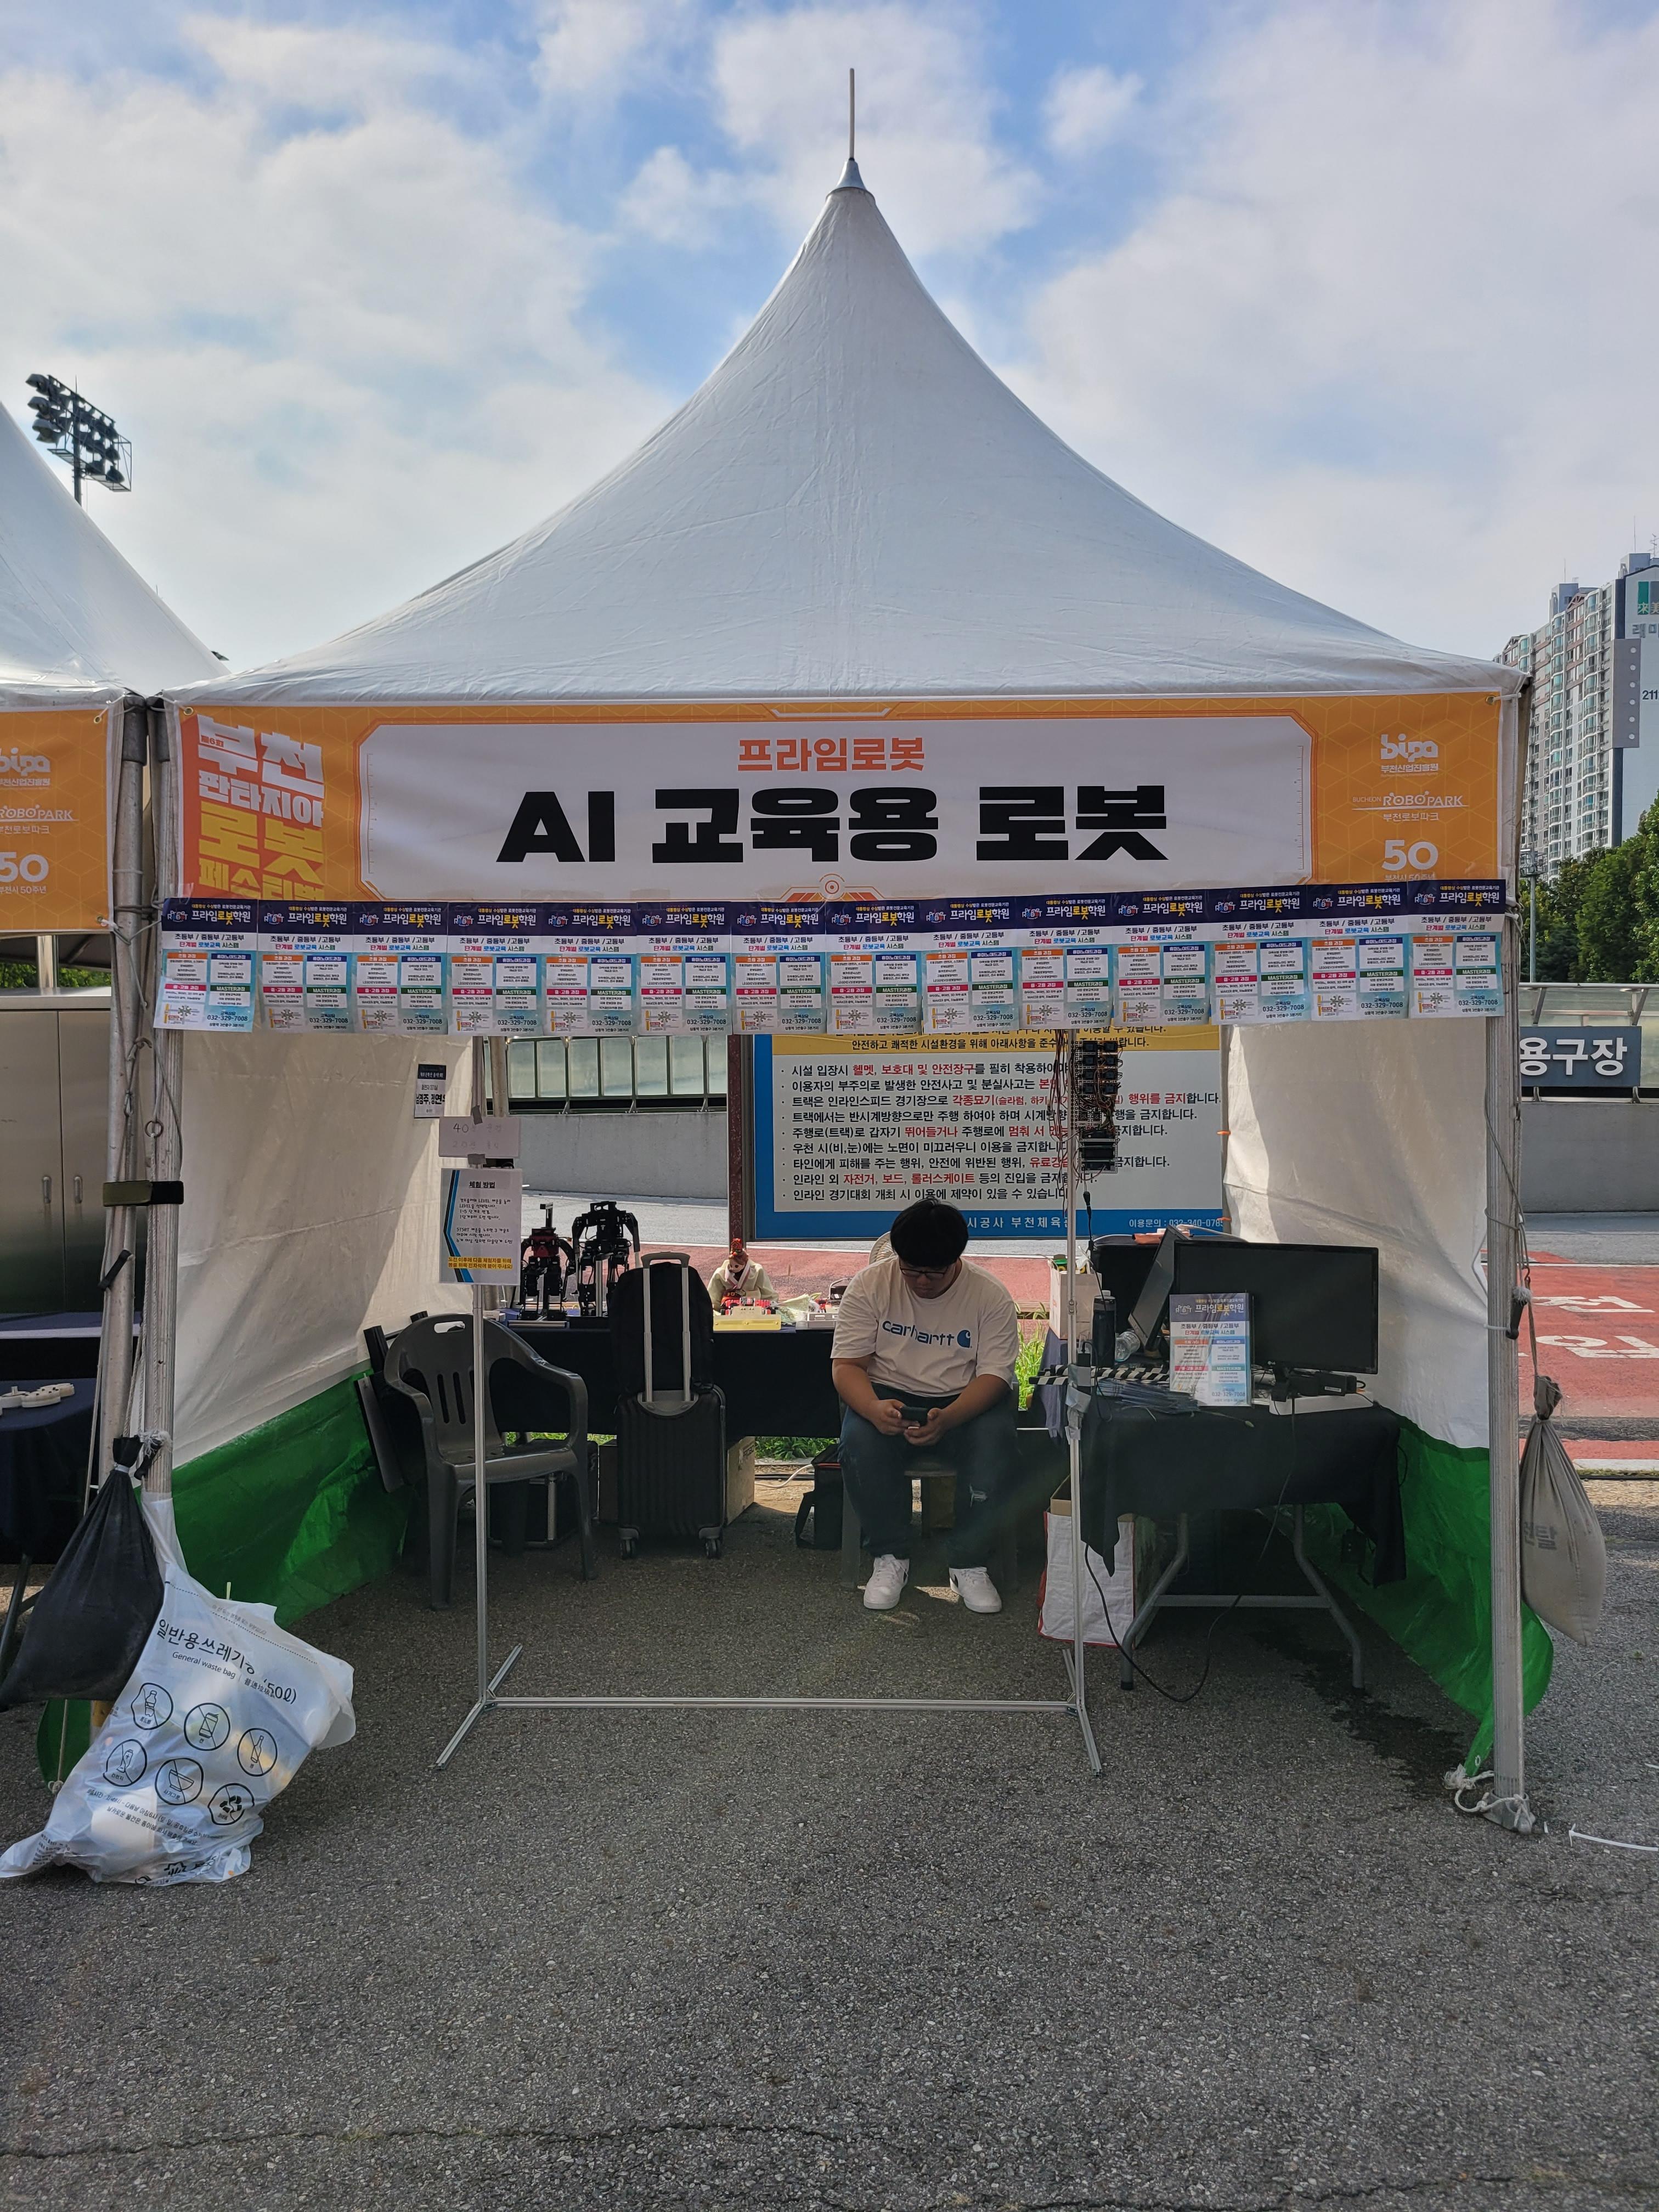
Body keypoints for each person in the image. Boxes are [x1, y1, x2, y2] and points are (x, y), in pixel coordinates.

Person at [830, 1197, 1020, 1614]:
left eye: (934, 1273)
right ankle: (890, 1556)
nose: (922, 1282)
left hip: (965, 1403)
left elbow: (995, 1377)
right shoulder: (871, 1285)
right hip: (888, 1395)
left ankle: (969, 1562)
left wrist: (948, 1418)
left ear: (956, 1260)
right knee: (859, 1443)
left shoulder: (989, 1295)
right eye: (911, 1270)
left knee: (996, 1442)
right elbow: (846, 1366)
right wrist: (873, 1409)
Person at [708, 1237, 777, 1306]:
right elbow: (713, 1298)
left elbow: (769, 1294)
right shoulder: (720, 1274)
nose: (733, 1268)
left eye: (736, 1266)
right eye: (731, 1265)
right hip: (729, 1304)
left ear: (744, 1264)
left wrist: (768, 1307)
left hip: (754, 1305)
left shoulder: (757, 1271)